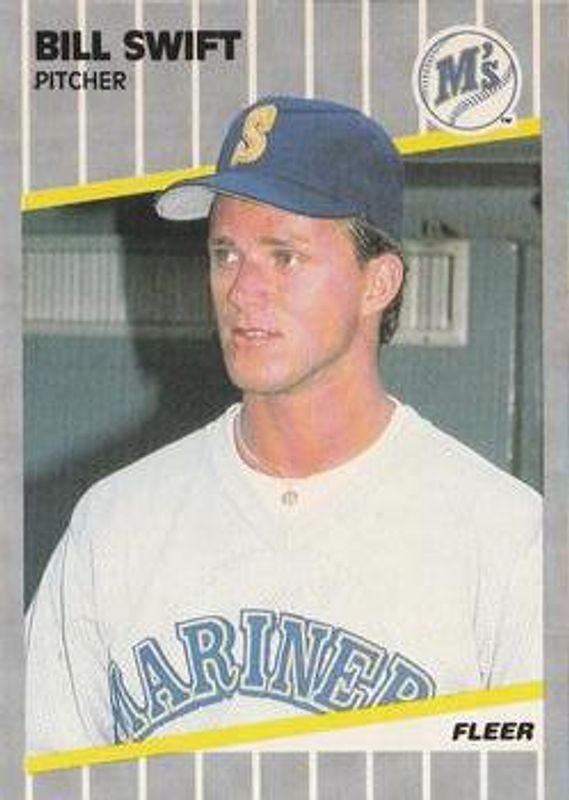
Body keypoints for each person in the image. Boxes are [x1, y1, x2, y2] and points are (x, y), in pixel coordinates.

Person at [26, 96, 542, 753]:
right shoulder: (114, 525)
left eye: (284, 256)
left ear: (377, 282)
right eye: (225, 254)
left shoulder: (505, 538)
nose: (241, 291)